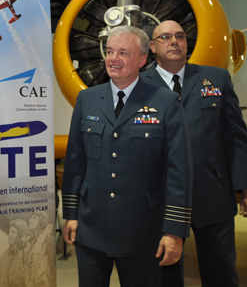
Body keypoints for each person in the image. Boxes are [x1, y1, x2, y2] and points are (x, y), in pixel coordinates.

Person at [61, 25, 193, 287]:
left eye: (123, 52)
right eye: (110, 51)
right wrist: (71, 213)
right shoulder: (87, 99)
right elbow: (75, 162)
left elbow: (180, 171)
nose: (113, 58)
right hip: (91, 228)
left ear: (142, 60)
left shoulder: (165, 102)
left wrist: (174, 231)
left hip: (142, 233)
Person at [141, 20, 247, 287]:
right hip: (161, 199)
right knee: (164, 275)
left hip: (213, 194)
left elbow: (236, 137)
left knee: (221, 273)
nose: (174, 41)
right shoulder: (138, 86)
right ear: (152, 46)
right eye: (165, 37)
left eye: (180, 36)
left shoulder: (216, 78)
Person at [24, 211, 54, 287]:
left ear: (42, 221)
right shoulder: (33, 242)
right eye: (31, 217)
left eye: (34, 218)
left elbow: (54, 269)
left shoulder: (49, 240)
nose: (30, 220)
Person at [0, 219, 28, 287]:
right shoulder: (3, 257)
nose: (9, 234)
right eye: (9, 232)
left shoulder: (28, 252)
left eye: (13, 232)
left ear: (20, 235)